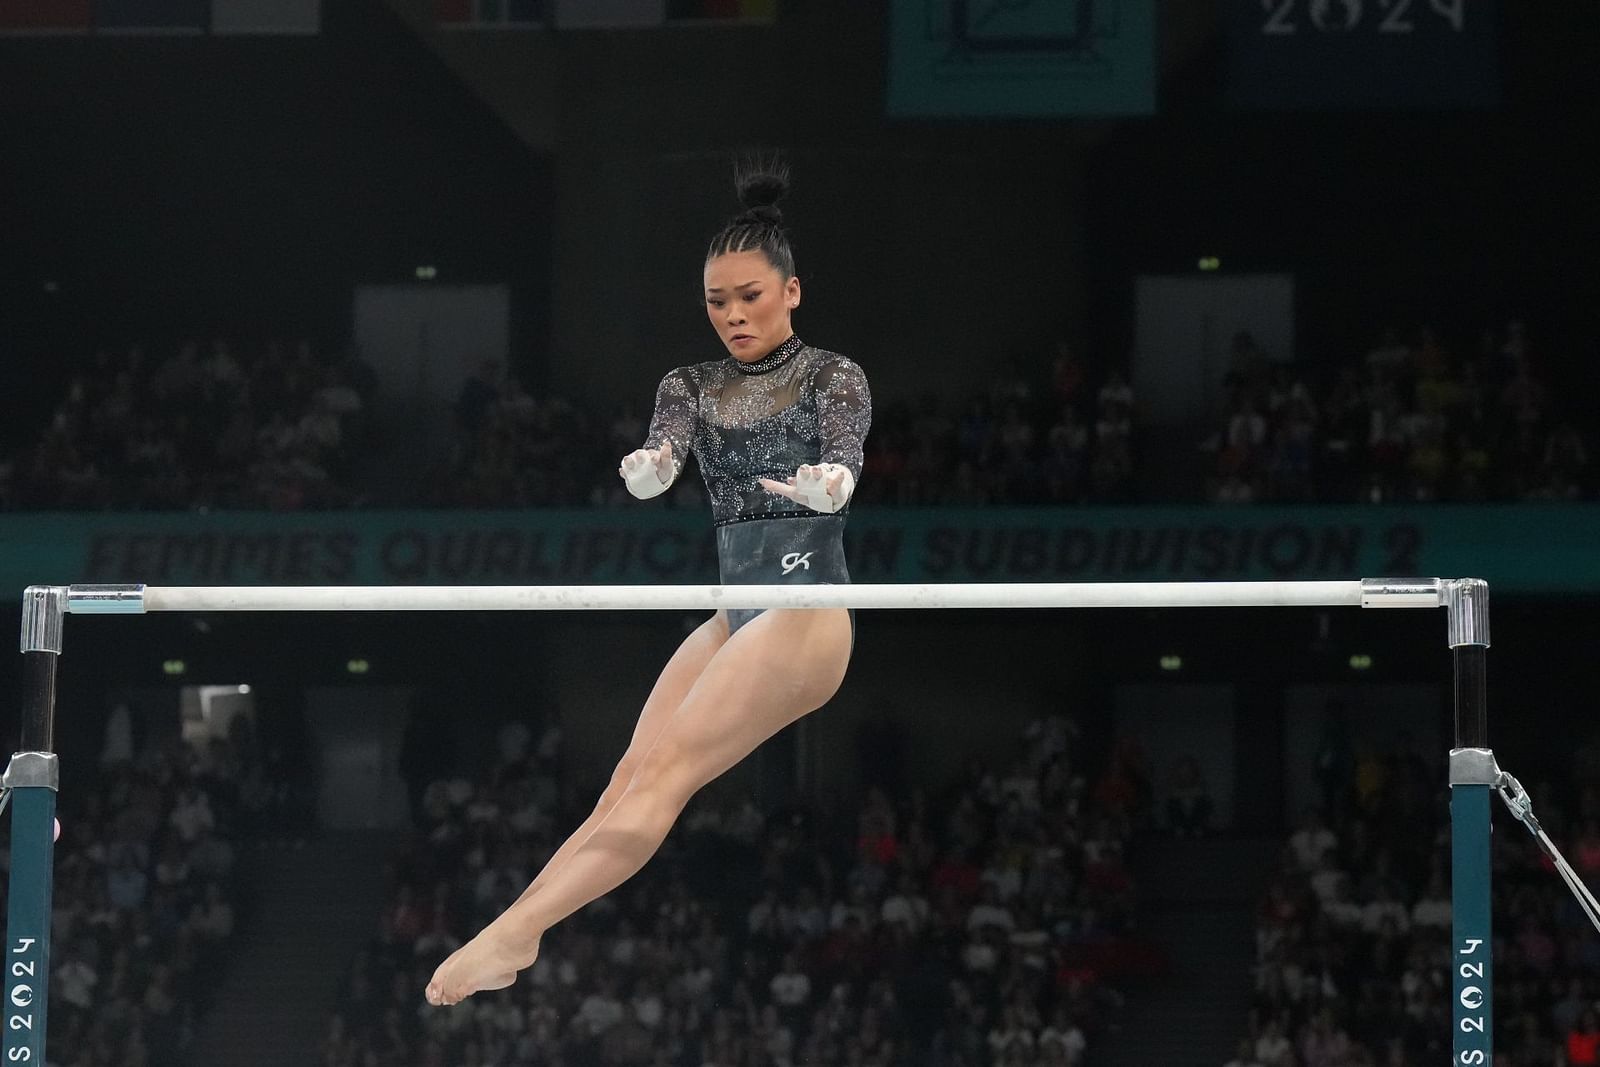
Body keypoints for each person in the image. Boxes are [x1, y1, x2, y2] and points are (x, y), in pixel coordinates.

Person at [426, 161, 872, 1005]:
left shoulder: (833, 377)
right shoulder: (690, 385)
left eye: (749, 295)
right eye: (716, 300)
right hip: (738, 609)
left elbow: (843, 459)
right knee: (628, 777)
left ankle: (514, 931)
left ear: (792, 291)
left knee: (666, 771)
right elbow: (663, 448)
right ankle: (513, 937)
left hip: (807, 608)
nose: (733, 314)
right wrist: (651, 467)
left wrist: (830, 485)